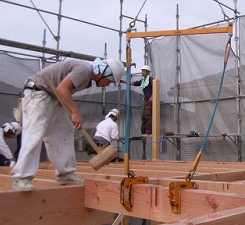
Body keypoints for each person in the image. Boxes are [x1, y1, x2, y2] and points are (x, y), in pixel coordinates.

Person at [11, 57, 125, 191]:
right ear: (104, 73)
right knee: (35, 133)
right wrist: (75, 112)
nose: (107, 85)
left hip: (53, 96)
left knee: (63, 132)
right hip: (39, 93)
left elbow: (61, 90)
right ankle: (21, 177)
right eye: (109, 81)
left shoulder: (88, 75)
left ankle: (65, 173)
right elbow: (62, 88)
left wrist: (72, 112)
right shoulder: (84, 69)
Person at [121, 65, 153, 136]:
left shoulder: (150, 79)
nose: (142, 72)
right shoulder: (144, 80)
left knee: (148, 115)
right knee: (144, 116)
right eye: (142, 71)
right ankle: (143, 132)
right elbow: (135, 83)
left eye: (144, 71)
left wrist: (152, 96)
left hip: (149, 101)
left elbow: (155, 87)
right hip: (146, 100)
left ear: (148, 72)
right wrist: (124, 82)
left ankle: (148, 132)